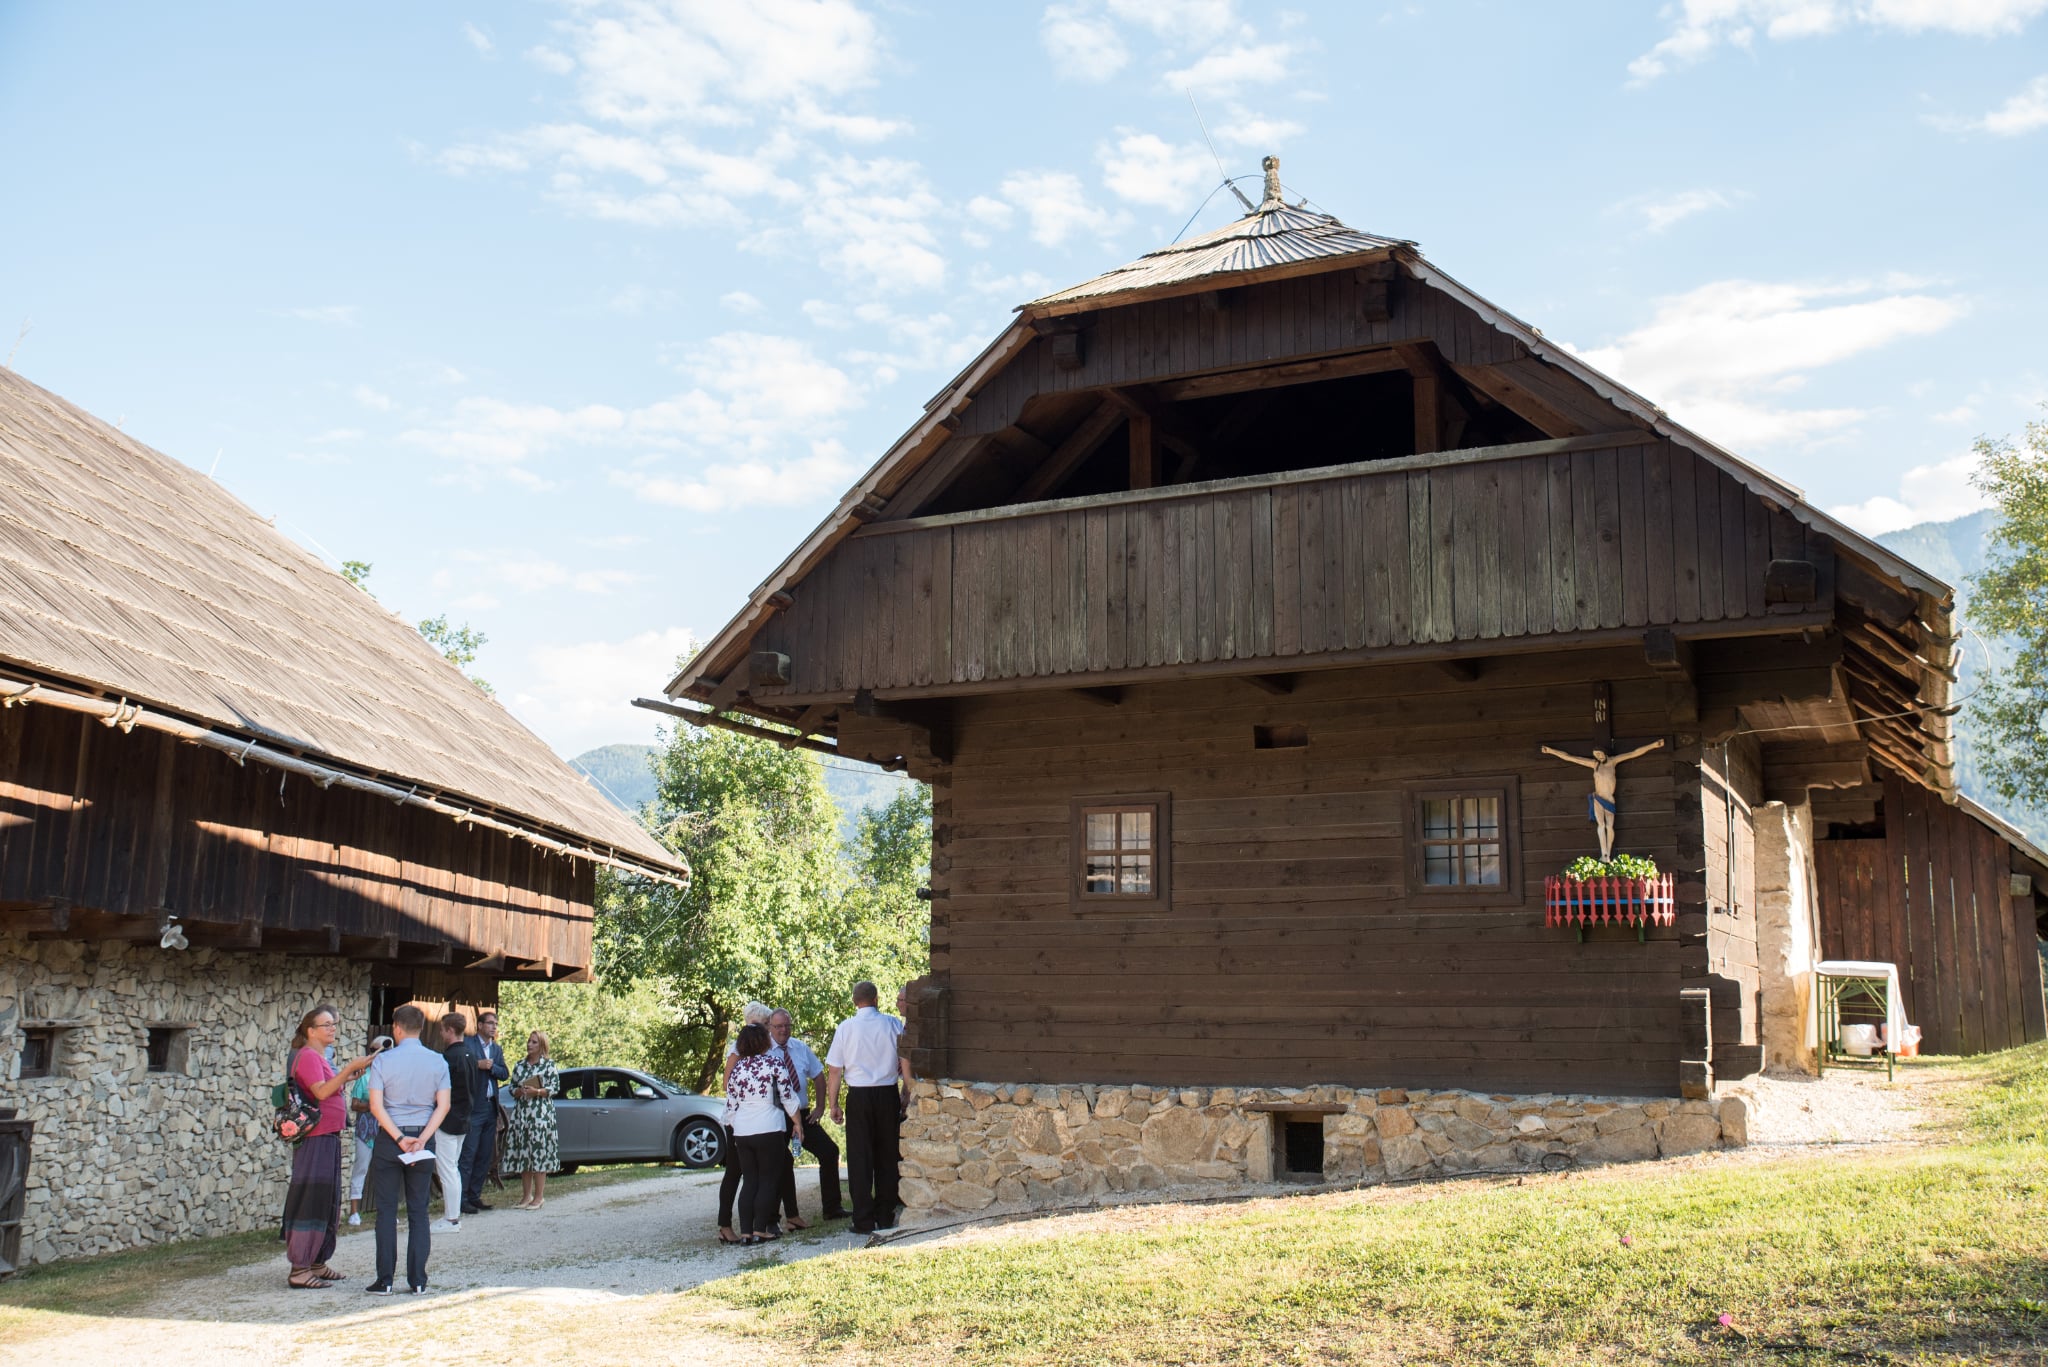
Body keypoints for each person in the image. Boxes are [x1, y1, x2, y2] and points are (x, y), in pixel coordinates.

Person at [280, 1003, 375, 1289]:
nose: (332, 1028)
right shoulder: (308, 1056)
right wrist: (349, 1067)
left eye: (333, 1024)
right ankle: (300, 1267)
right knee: (312, 1198)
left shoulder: (318, 1056)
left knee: (327, 1199)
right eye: (326, 1025)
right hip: (315, 1136)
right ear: (311, 1031)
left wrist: (347, 1076)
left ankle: (317, 1262)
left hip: (327, 1133)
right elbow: (320, 1091)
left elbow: (327, 1086)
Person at [365, 1003, 451, 1295]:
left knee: (387, 1211)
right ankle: (417, 1281)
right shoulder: (438, 1061)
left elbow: (376, 1106)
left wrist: (400, 1138)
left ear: (396, 1028)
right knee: (419, 1212)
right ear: (422, 1028)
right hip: (423, 1139)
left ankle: (385, 1280)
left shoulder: (383, 1062)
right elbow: (444, 1106)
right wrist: (423, 1138)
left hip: (391, 1138)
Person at [825, 981, 910, 1234]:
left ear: (854, 1001)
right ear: (876, 999)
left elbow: (834, 1071)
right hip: (887, 1093)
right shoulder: (893, 1024)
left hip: (858, 1096)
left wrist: (833, 1104)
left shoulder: (845, 1028)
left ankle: (862, 1218)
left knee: (860, 1157)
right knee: (887, 1154)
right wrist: (907, 1088)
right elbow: (905, 1058)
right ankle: (885, 1214)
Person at [726, 1023, 804, 1245]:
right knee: (768, 1180)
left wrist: (736, 1127)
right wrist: (797, 1123)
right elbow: (788, 1097)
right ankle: (761, 1229)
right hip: (769, 1126)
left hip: (743, 1130)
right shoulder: (773, 1063)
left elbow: (730, 1106)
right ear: (764, 1042)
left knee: (749, 1181)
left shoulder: (737, 1069)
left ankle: (745, 1232)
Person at [770, 1008, 845, 1222]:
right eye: (779, 1026)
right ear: (770, 1027)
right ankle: (773, 1217)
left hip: (803, 1115)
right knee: (779, 1161)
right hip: (777, 1115)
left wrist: (821, 1107)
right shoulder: (764, 1050)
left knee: (830, 1151)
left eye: (787, 1025)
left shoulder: (800, 1047)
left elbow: (819, 1076)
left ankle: (832, 1208)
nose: (784, 1030)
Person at [716, 1001, 776, 1244]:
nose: (768, 1030)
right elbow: (726, 1083)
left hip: (752, 1119)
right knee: (734, 1172)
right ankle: (725, 1224)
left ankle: (756, 1223)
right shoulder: (738, 1048)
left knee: (751, 1174)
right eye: (765, 1025)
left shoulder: (764, 1051)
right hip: (738, 1118)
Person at [457, 1009, 508, 1213]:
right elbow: (458, 1066)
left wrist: (492, 1067)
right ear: (479, 1026)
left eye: (496, 1024)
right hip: (474, 1106)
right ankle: (460, 1199)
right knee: (469, 1153)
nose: (494, 1027)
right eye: (490, 1023)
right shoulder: (468, 1044)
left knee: (485, 1154)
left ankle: (475, 1195)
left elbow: (504, 1073)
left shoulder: (496, 1049)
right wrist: (477, 1065)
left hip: (490, 1106)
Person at [504, 1030, 560, 1211]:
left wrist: (537, 1091)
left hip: (541, 1116)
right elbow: (512, 1087)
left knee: (539, 1154)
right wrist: (519, 1091)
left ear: (541, 1045)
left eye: (534, 1042)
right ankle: (526, 1195)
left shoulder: (548, 1065)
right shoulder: (520, 1066)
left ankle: (539, 1196)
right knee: (524, 1153)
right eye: (529, 1041)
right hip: (522, 1114)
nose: (530, 1044)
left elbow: (555, 1088)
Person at [428, 1012, 473, 1234]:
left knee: (447, 1170)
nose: (441, 1033)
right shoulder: (471, 1055)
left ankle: (451, 1218)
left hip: (447, 1120)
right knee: (452, 1168)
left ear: (450, 1030)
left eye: (443, 1029)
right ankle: (453, 1215)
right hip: (464, 1118)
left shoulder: (447, 1058)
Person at [346, 1034, 394, 1227]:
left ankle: (388, 1211)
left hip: (387, 1129)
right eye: (375, 1051)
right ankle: (354, 1212)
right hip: (366, 1130)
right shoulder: (364, 1077)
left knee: (388, 1171)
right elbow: (355, 1104)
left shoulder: (393, 1077)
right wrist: (374, 1106)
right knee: (361, 1167)